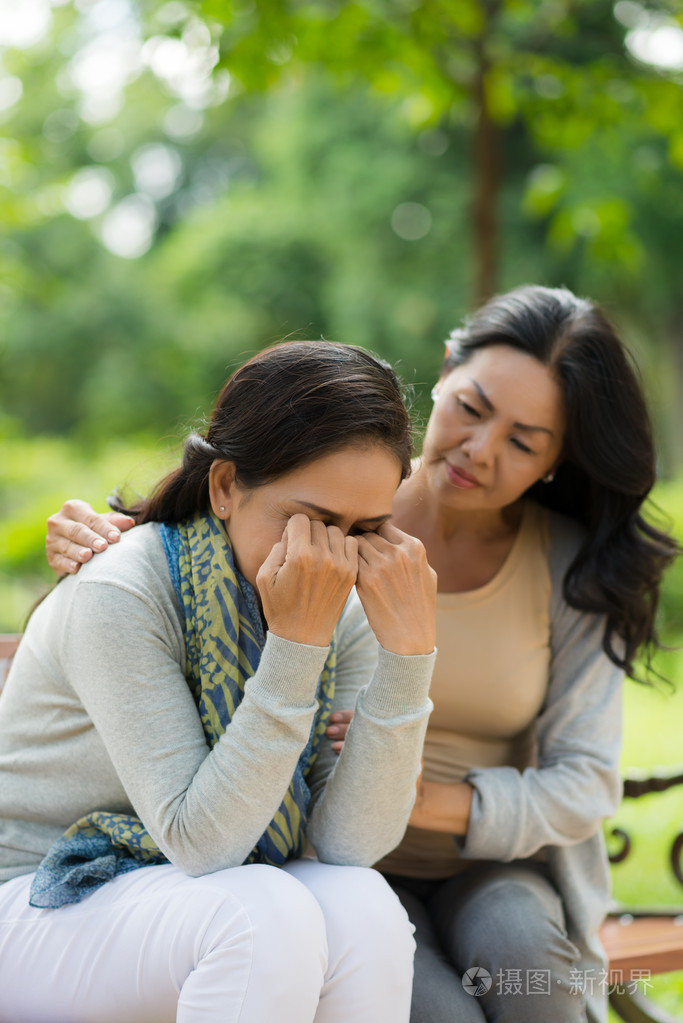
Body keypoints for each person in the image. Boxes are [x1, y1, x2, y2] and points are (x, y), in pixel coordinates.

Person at [43, 286, 678, 1023]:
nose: (479, 449)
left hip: (488, 865)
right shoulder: (328, 512)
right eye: (471, 408)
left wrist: (433, 798)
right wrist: (103, 533)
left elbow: (585, 782)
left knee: (531, 970)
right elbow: (207, 528)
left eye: (523, 439)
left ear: (555, 458)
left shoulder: (565, 569)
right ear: (444, 371)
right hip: (330, 855)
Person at [0, 340, 439, 1023]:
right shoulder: (123, 589)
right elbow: (201, 841)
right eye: (314, 520)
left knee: (365, 908)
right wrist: (296, 645)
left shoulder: (342, 606)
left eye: (366, 528)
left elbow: (351, 845)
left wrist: (409, 657)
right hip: (40, 896)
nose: (330, 556)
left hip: (176, 898)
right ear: (226, 486)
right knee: (261, 913)